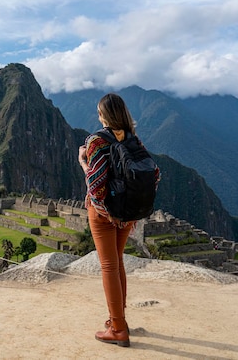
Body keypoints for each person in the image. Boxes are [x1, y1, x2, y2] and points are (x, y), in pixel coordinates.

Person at [78, 93, 140, 348]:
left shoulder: (96, 142)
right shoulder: (134, 140)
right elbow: (152, 176)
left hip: (104, 213)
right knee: (117, 263)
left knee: (108, 266)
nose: (98, 116)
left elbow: (94, 185)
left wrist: (82, 160)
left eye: (99, 112)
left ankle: (117, 328)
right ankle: (118, 320)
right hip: (128, 212)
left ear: (104, 115)